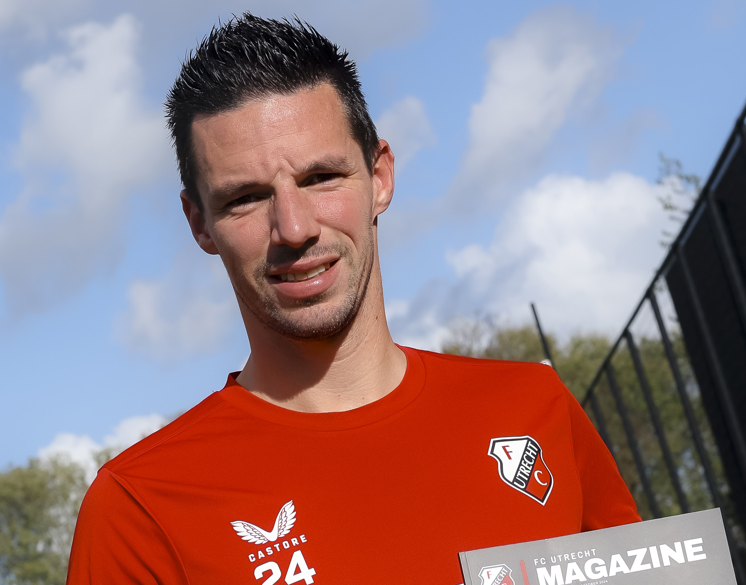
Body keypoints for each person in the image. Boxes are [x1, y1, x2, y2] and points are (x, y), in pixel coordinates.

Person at [66, 14, 639, 585]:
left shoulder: (534, 407)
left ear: (380, 176)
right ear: (200, 223)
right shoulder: (139, 508)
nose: (294, 228)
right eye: (246, 198)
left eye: (320, 178)